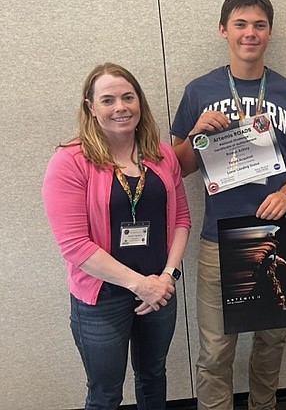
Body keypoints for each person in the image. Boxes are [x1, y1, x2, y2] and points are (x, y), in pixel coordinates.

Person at [171, 0, 286, 410]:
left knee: (271, 344)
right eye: (240, 24)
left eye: (259, 24)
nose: (249, 32)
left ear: (270, 33)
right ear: (223, 30)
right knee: (216, 350)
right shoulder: (199, 91)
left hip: (274, 235)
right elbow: (178, 166)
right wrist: (197, 132)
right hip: (218, 240)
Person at [42, 63, 191, 409]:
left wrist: (166, 277)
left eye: (128, 97)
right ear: (91, 108)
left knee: (153, 377)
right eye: (107, 100)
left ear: (140, 102)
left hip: (160, 288)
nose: (120, 107)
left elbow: (181, 218)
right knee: (106, 393)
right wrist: (141, 285)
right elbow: (74, 246)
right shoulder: (70, 161)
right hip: (102, 299)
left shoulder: (161, 153)